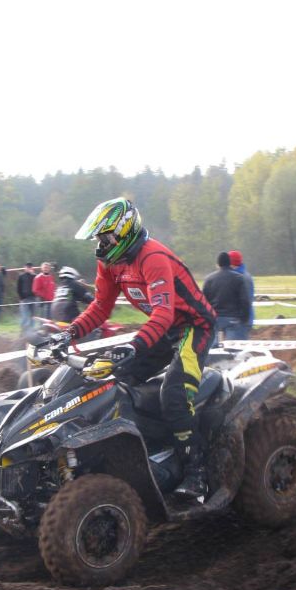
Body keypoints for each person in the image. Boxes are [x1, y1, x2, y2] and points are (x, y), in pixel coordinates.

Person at [48, 197, 216, 502]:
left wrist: (133, 345)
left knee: (175, 395)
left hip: (194, 327)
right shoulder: (110, 263)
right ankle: (147, 449)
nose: (100, 245)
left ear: (124, 231)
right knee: (117, 381)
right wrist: (68, 333)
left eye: (105, 238)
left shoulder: (153, 257)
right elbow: (100, 307)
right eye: (98, 239)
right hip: (164, 330)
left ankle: (197, 474)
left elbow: (163, 313)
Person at [202, 251, 250, 345]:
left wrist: (205, 318)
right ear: (229, 263)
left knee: (212, 348)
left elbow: (203, 301)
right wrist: (244, 318)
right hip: (233, 318)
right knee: (233, 348)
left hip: (214, 318)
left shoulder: (209, 279)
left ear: (218, 264)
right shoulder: (239, 278)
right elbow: (245, 301)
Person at [228, 249, 254, 338]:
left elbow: (245, 300)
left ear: (232, 264)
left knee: (237, 345)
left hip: (241, 320)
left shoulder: (240, 278)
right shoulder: (244, 275)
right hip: (243, 319)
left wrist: (242, 319)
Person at [17, 262, 37, 333]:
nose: (28, 269)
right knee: (24, 316)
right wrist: (21, 297)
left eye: (30, 267)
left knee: (33, 316)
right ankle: (23, 332)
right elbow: (18, 288)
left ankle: (31, 332)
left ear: (32, 268)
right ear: (24, 268)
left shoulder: (35, 276)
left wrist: (33, 275)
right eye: (27, 267)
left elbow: (37, 286)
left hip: (33, 298)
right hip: (24, 299)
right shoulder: (21, 276)